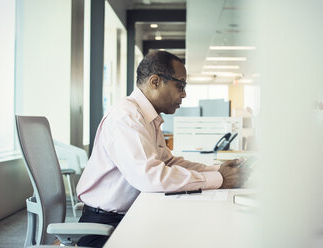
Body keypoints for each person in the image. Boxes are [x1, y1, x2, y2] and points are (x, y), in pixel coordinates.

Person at [76, 51, 250, 247]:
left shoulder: (146, 117)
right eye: (180, 85)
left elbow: (168, 162)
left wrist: (218, 170)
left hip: (128, 216)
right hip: (105, 227)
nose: (184, 94)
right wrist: (220, 180)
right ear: (155, 81)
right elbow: (150, 177)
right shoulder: (127, 117)